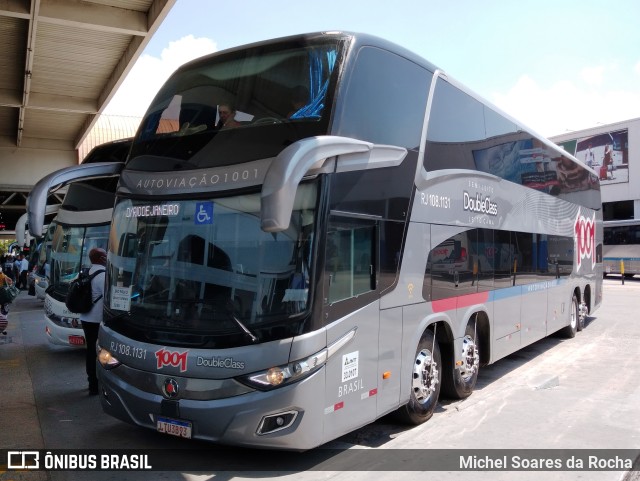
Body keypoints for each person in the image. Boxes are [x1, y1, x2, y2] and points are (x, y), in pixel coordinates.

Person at [80, 248, 107, 395]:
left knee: (90, 350)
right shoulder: (102, 275)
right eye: (105, 255)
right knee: (101, 353)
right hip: (98, 320)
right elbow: (108, 298)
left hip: (85, 318)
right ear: (101, 258)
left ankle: (92, 383)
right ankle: (98, 385)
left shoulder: (87, 272)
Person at [0, 266, 14, 335]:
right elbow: (10, 281)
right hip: (3, 297)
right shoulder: (3, 276)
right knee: (4, 313)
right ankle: (3, 329)